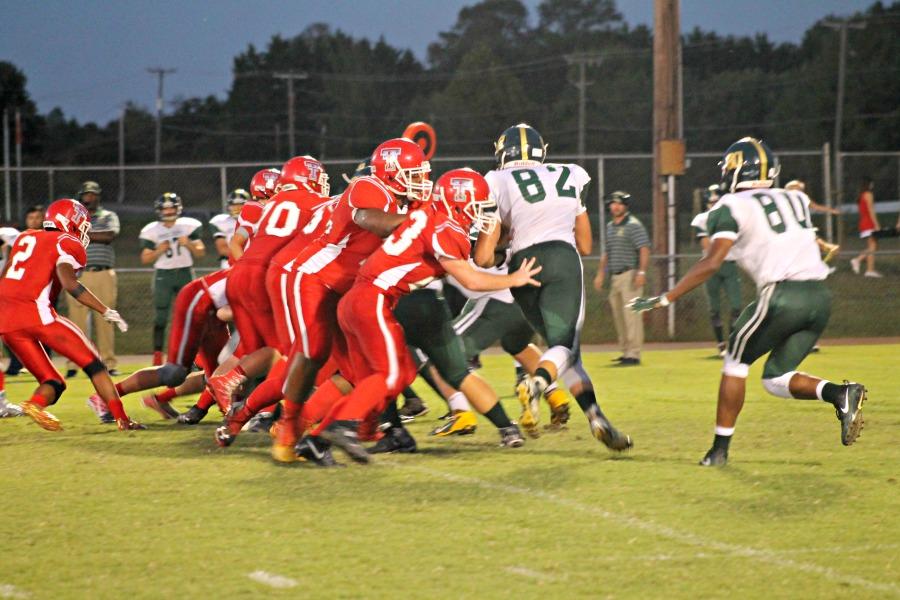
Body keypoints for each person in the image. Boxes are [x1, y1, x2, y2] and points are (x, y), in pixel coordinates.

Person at [629, 137, 867, 466]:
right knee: (774, 378)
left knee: (735, 362)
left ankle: (719, 452)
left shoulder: (729, 206)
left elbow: (711, 263)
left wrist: (665, 298)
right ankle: (840, 394)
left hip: (782, 295)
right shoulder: (794, 197)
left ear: (735, 171)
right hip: (820, 297)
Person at [298, 168, 537, 465]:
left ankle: (316, 441)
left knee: (387, 376)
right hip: (374, 299)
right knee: (390, 375)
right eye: (477, 206)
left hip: (358, 299)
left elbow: (474, 254)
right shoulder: (446, 227)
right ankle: (342, 426)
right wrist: (514, 279)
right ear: (458, 202)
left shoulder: (429, 214)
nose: (481, 214)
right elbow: (472, 280)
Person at [475, 123, 632, 450]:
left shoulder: (496, 180)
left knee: (566, 352)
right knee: (564, 345)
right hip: (561, 259)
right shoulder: (569, 174)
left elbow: (485, 257)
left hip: (521, 267)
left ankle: (596, 417)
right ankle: (539, 383)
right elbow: (586, 245)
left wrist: (506, 242)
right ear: (541, 151)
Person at [0, 199, 142, 431]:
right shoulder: (67, 241)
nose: (84, 230)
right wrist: (104, 310)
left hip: (6, 321)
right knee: (95, 366)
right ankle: (123, 420)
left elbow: (5, 278)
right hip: (38, 314)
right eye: (83, 224)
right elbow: (69, 282)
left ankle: (35, 404)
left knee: (54, 382)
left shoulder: (25, 236)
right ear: (70, 222)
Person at [139, 193, 205, 365]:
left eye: (171, 207)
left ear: (178, 208)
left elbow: (200, 252)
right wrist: (159, 250)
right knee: (161, 317)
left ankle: (194, 355)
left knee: (191, 315)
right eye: (165, 208)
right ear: (159, 210)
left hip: (185, 273)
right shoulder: (151, 229)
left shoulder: (189, 226)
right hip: (163, 275)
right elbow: (145, 259)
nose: (168, 211)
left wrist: (188, 244)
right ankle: (158, 355)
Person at [65, 181, 121, 378]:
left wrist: (81, 232)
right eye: (86, 195)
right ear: (80, 196)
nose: (90, 198)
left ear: (99, 196)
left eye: (93, 194)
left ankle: (109, 362)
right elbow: (65, 238)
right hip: (78, 273)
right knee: (76, 322)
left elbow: (109, 235)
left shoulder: (108, 216)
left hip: (104, 273)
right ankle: (74, 363)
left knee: (106, 318)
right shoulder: (71, 216)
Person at [593, 191, 650, 366]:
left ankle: (634, 353)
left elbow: (644, 248)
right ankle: (626, 351)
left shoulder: (634, 225)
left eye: (619, 204)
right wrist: (601, 274)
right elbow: (607, 252)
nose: (615, 206)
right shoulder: (610, 226)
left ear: (626, 206)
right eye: (613, 203)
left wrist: (641, 272)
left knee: (631, 316)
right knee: (619, 316)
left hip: (630, 275)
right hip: (615, 277)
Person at [691, 184, 742, 356]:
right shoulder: (702, 219)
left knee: (736, 306)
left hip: (729, 264)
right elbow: (707, 246)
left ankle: (734, 344)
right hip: (710, 266)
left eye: (716, 200)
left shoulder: (731, 217)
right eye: (710, 201)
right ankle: (721, 344)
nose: (713, 204)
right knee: (714, 308)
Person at [784, 180, 841, 264]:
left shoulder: (803, 198)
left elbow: (815, 206)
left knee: (827, 248)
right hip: (791, 230)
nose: (798, 191)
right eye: (795, 189)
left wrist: (832, 210)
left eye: (800, 189)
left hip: (804, 229)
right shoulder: (784, 199)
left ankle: (820, 265)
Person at [850, 177, 882, 278]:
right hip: (869, 223)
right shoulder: (868, 194)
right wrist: (876, 224)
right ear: (869, 184)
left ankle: (859, 261)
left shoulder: (861, 195)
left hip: (864, 223)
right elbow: (871, 211)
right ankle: (868, 269)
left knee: (874, 246)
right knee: (872, 247)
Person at [209, 189, 250, 268]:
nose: (237, 207)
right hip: (229, 265)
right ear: (228, 206)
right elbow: (223, 250)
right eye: (234, 204)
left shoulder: (256, 220)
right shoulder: (222, 222)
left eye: (241, 204)